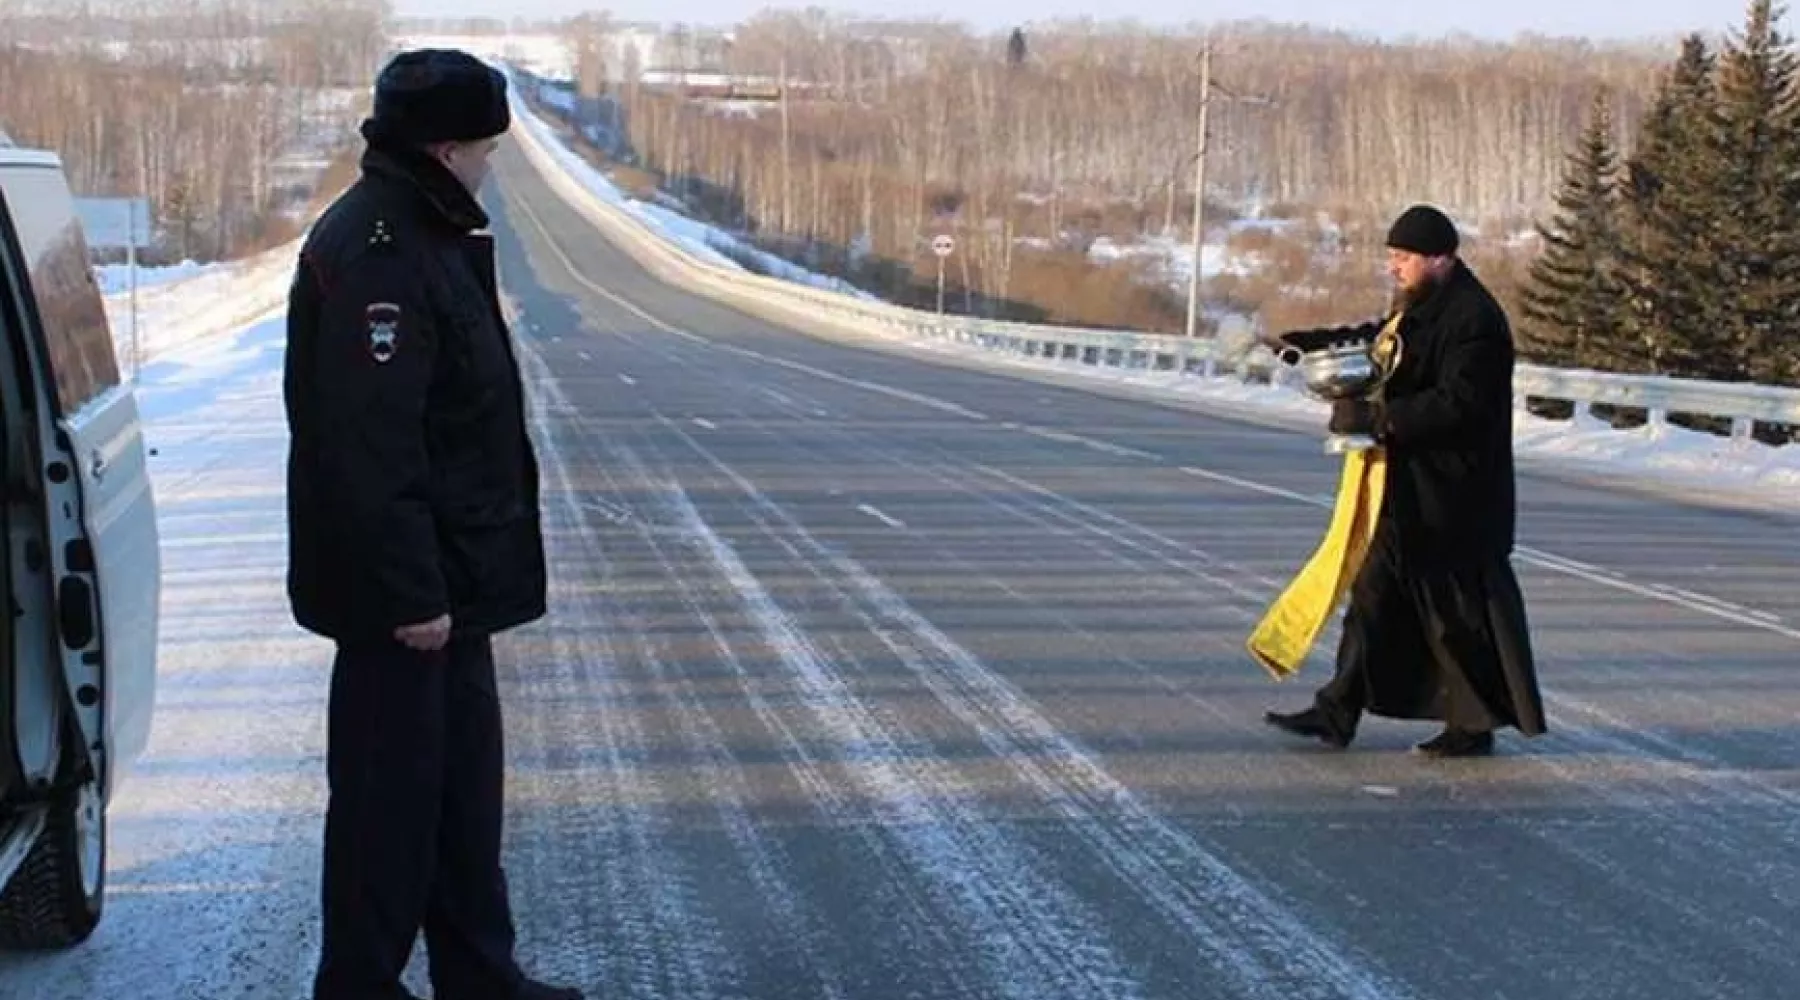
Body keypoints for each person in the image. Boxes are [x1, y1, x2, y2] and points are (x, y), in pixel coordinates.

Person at [282, 49, 581, 1000]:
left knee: (461, 804)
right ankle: (359, 989)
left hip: (452, 588)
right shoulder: (380, 250)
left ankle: (479, 978)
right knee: (386, 813)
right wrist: (412, 596)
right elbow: (369, 447)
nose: (492, 163)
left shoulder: (427, 229)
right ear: (446, 146)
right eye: (486, 147)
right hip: (402, 602)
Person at [1261, 204, 1547, 758]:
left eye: (1404, 258)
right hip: (1410, 490)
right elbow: (1378, 345)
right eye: (1391, 256)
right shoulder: (1423, 307)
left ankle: (1472, 724)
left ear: (1440, 258)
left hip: (1455, 499)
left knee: (1454, 617)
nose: (1394, 267)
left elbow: (1459, 404)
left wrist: (1379, 420)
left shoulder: (1474, 320)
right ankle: (1335, 711)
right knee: (1372, 594)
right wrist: (1311, 342)